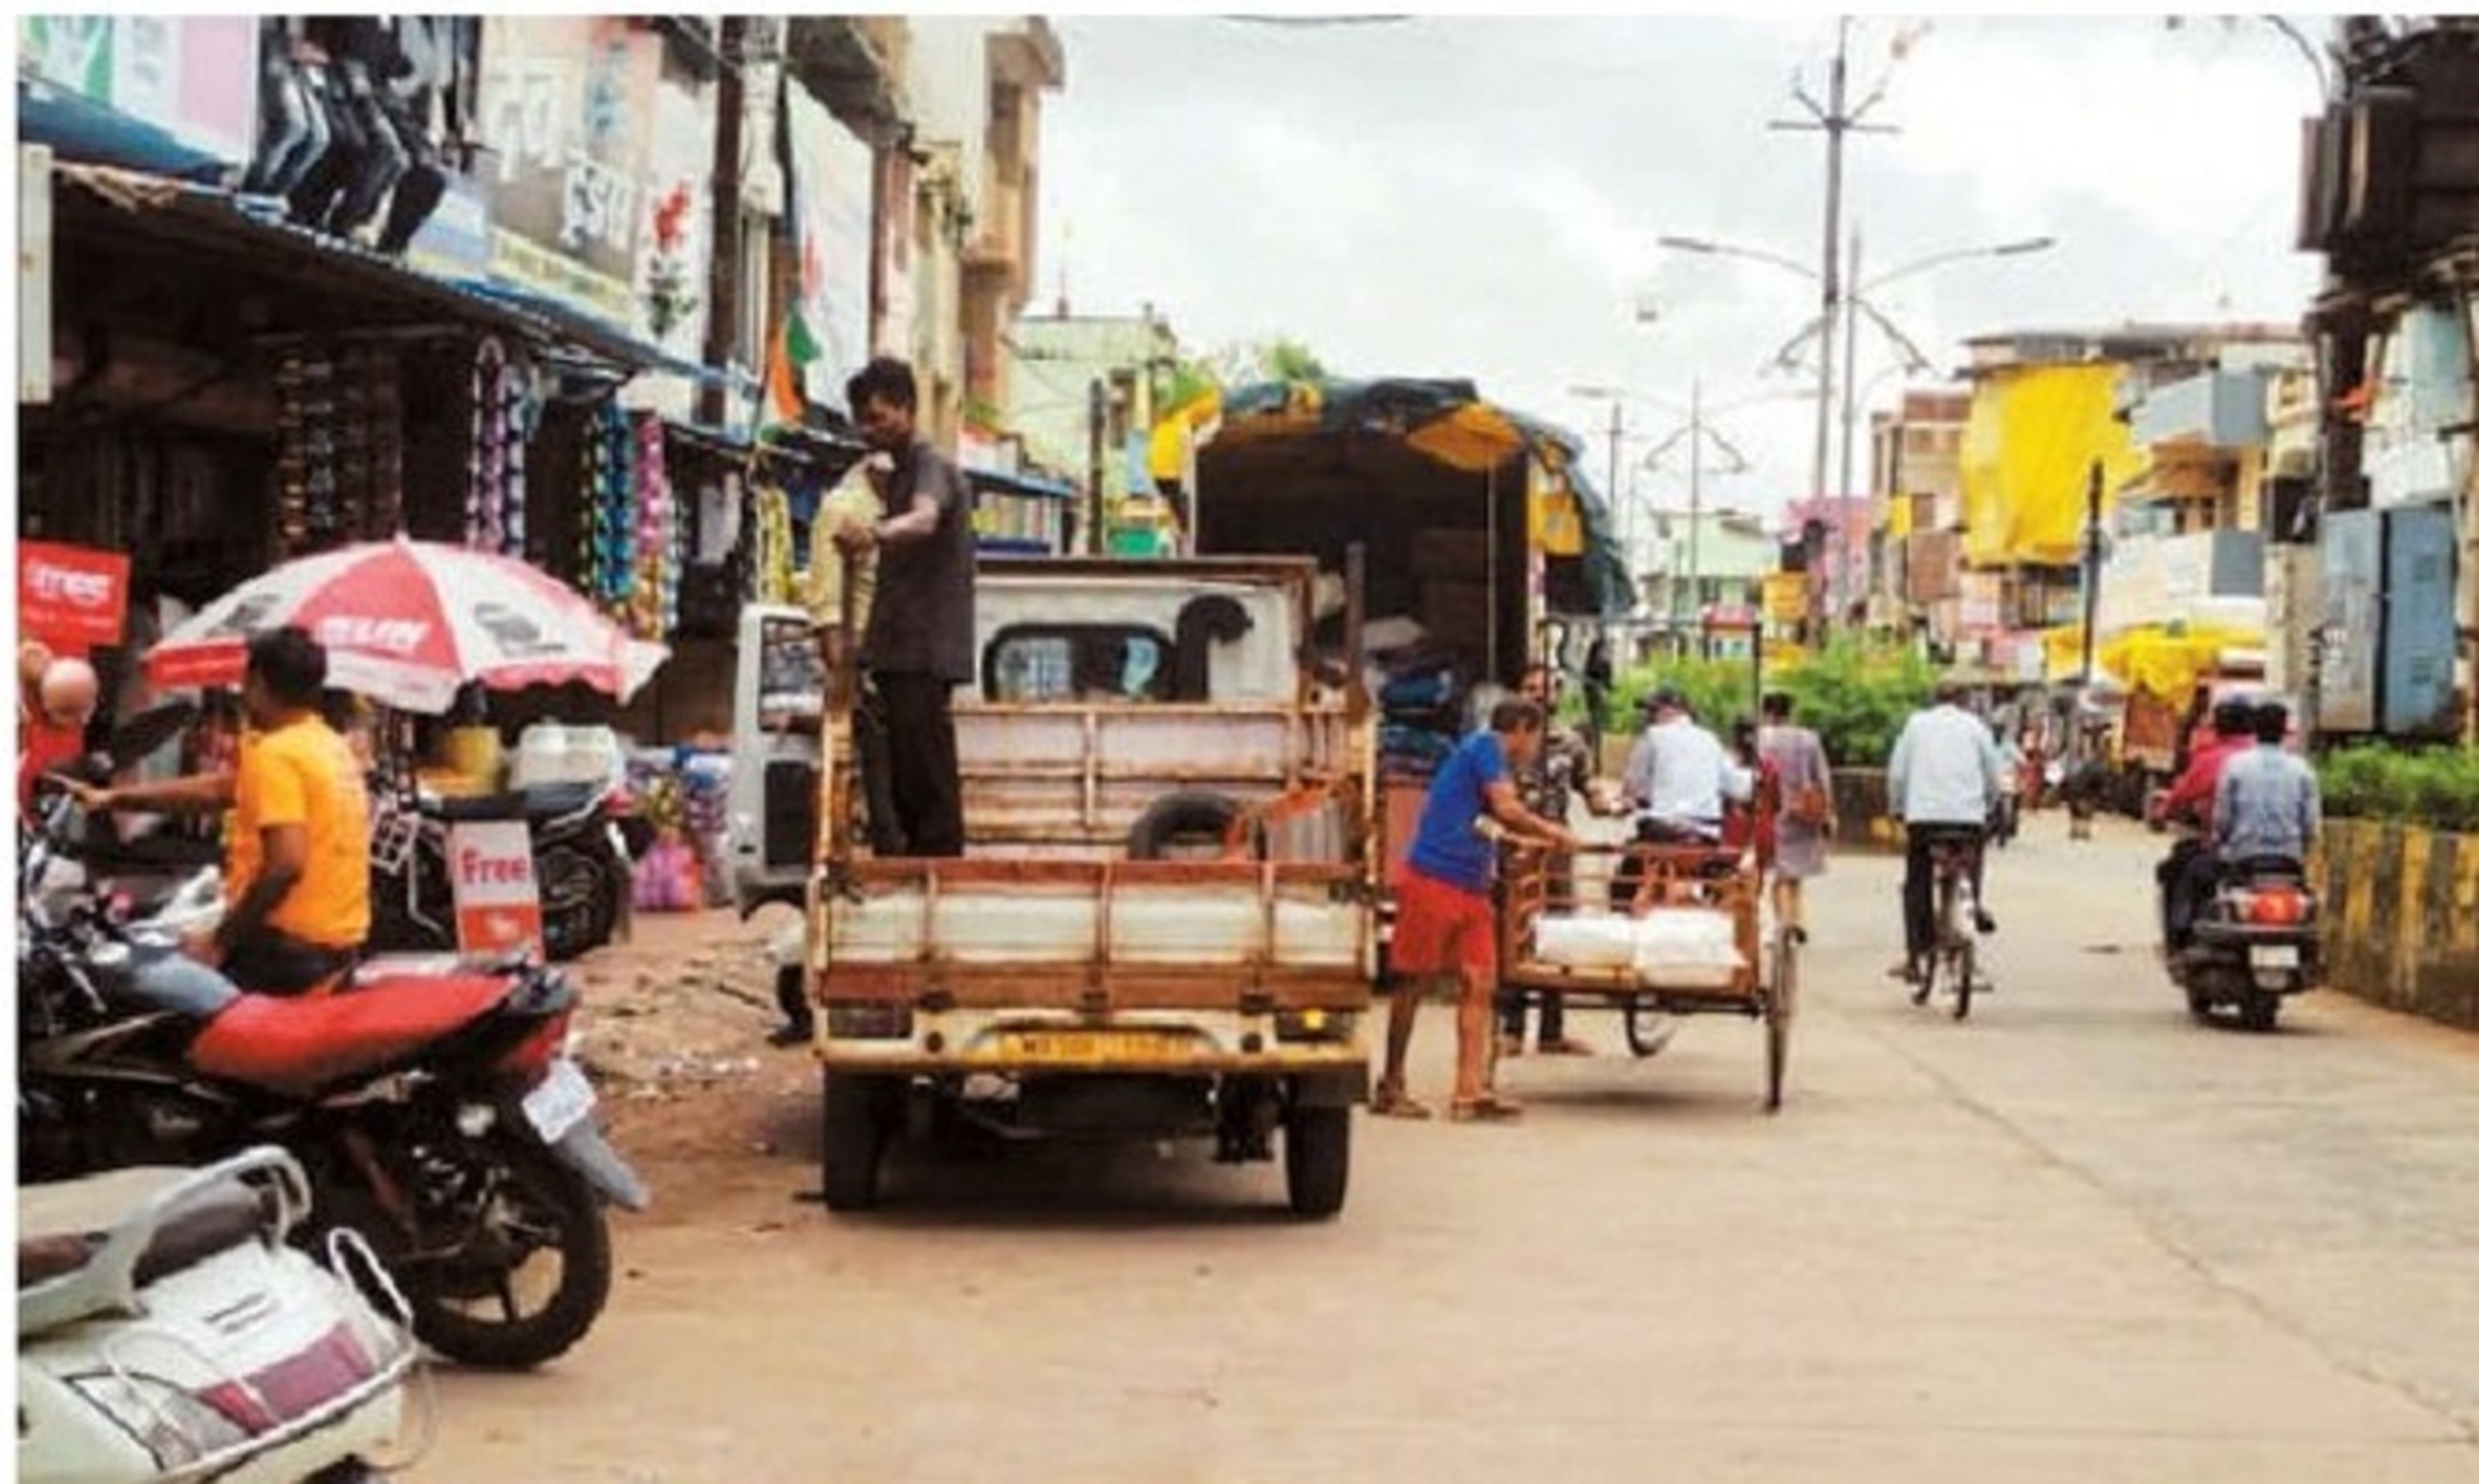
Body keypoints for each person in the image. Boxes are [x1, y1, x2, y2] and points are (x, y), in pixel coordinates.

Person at [62, 628, 371, 1010]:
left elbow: (285, 865)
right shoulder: (327, 745)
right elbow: (218, 791)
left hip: (284, 956)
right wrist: (112, 798)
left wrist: (220, 943)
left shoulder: (278, 753)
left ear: (256, 682)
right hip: (333, 947)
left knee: (153, 1006)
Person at [1375, 698, 1577, 1123]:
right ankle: (1391, 1083)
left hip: (1470, 885)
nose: (1537, 745)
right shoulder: (1485, 749)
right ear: (1521, 729)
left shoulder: (1485, 761)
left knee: (1480, 982)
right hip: (1434, 879)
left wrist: (1521, 840)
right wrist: (1551, 831)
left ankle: (1469, 1091)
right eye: (1536, 735)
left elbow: (1482, 819)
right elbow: (1504, 808)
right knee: (1413, 984)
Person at [835, 357, 975, 859]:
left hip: (923, 649)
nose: (868, 430)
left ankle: (935, 870)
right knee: (900, 774)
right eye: (862, 419)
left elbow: (924, 519)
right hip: (899, 649)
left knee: (924, 771)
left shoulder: (929, 466)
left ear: (907, 409)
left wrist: (873, 533)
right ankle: (914, 864)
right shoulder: (894, 475)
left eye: (878, 417)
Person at [1496, 663, 1596, 1059]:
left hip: (1556, 851)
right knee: (1514, 934)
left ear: (1556, 694)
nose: (1538, 695)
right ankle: (1512, 1028)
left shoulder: (1570, 743)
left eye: (1544, 689)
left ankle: (1553, 1030)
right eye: (1529, 688)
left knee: (1557, 934)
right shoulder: (1506, 746)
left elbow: (1586, 787)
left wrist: (1606, 801)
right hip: (1516, 846)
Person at [1888, 680, 2003, 987]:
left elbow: (1898, 774)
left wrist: (1897, 808)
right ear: (1965, 700)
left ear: (1933, 699)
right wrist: (1989, 805)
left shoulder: (1916, 725)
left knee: (1917, 881)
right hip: (1968, 818)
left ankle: (1917, 953)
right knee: (1970, 863)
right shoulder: (1976, 727)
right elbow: (1993, 774)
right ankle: (1974, 903)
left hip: (1923, 819)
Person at [1613, 686, 1752, 910]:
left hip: (1662, 832)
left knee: (1623, 884)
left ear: (1669, 711)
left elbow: (1634, 787)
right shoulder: (1711, 740)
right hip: (1706, 835)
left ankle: (1620, 917)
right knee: (1722, 880)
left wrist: (1628, 801)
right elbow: (1737, 786)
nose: (1648, 717)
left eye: (1652, 711)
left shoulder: (1652, 736)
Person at [2151, 695, 2255, 953]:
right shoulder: (2276, 758)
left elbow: (2182, 796)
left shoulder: (2212, 758)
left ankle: (2179, 938)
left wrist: (2164, 811)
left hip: (2226, 849)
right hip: (2283, 858)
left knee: (2178, 871)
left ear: (2217, 726)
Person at [1756, 691, 1834, 944]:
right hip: (1805, 811)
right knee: (1796, 872)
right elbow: (1822, 778)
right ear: (1791, 712)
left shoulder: (1761, 740)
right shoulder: (1809, 739)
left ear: (1766, 712)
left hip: (1772, 811)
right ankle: (1797, 918)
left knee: (1780, 871)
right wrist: (1828, 811)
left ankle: (1783, 922)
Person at [2213, 699, 2319, 867]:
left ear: (2254, 729)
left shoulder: (2235, 765)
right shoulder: (2302, 769)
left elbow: (2222, 820)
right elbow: (2311, 825)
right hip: (2290, 858)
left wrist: (2220, 840)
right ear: (2285, 731)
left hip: (2244, 856)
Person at [19, 655, 98, 816]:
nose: (83, 719)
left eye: (87, 709)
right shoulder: (33, 737)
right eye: (68, 712)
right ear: (45, 706)